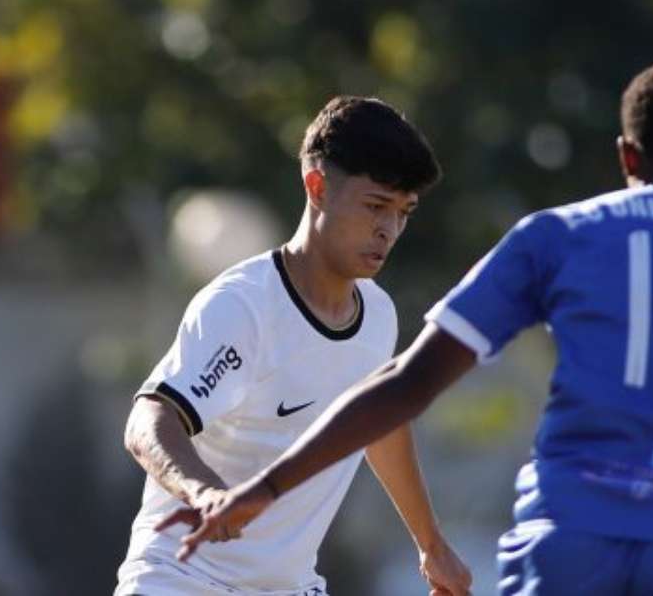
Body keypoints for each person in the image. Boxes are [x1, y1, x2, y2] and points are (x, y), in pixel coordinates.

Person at [176, 56, 653, 596]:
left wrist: (266, 484)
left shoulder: (561, 237)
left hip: (568, 546)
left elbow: (406, 385)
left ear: (626, 156)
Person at [115, 96, 472, 596]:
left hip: (288, 587)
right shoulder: (242, 306)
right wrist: (203, 492)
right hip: (181, 578)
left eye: (403, 212)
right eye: (375, 206)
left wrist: (432, 546)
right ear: (318, 186)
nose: (388, 230)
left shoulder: (378, 315)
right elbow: (149, 420)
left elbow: (380, 424)